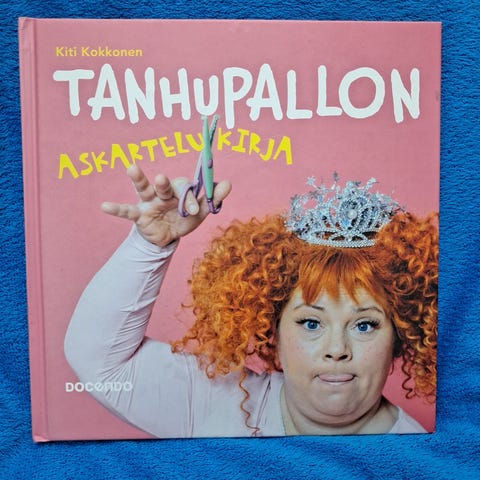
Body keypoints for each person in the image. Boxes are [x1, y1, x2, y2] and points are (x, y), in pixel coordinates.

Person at [64, 165, 437, 437]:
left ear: (399, 338)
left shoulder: (421, 460)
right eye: (311, 322)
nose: (336, 350)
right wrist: (150, 246)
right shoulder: (213, 403)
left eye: (364, 325)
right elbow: (100, 366)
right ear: (273, 331)